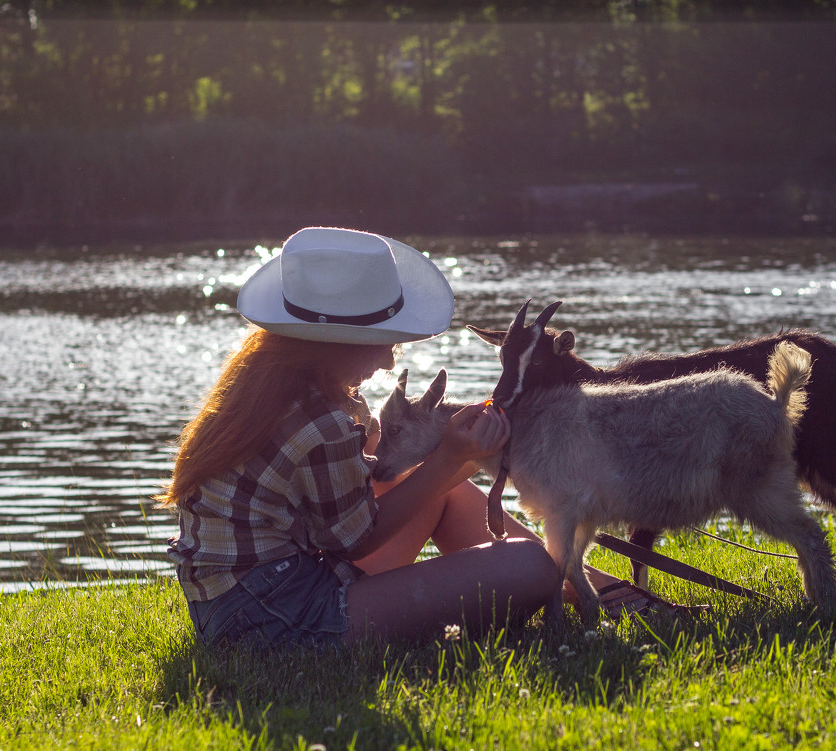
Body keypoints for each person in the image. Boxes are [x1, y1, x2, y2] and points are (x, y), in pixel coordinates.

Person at [160, 227, 671, 649]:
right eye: (382, 344)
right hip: (279, 620)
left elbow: (338, 513)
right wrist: (451, 456)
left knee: (448, 495)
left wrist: (436, 464)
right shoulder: (320, 423)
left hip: (236, 601)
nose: (388, 361)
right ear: (331, 346)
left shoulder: (263, 388)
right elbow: (356, 538)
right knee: (530, 565)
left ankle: (603, 590)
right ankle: (578, 586)